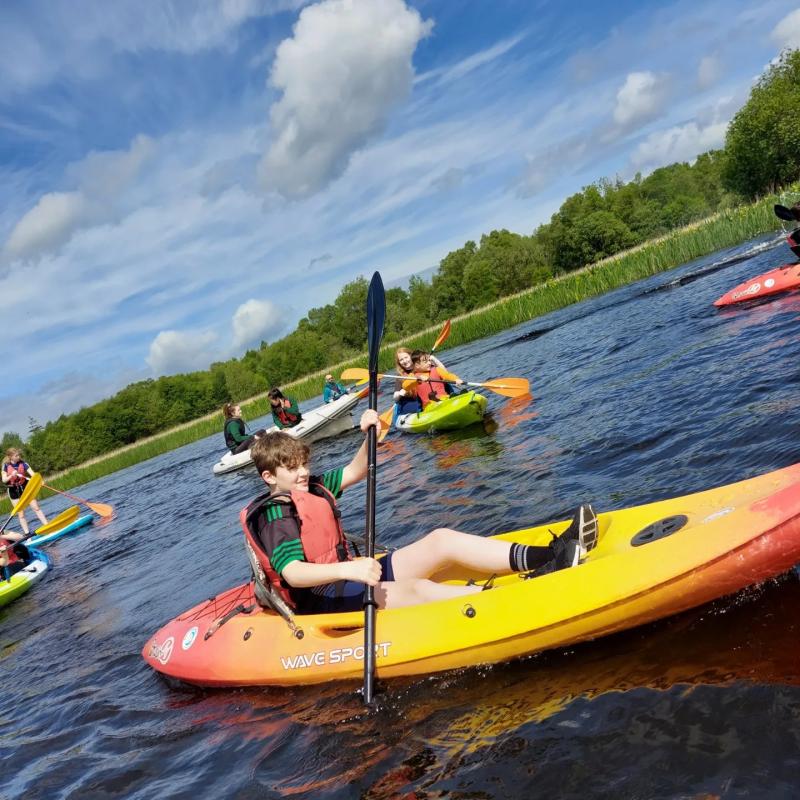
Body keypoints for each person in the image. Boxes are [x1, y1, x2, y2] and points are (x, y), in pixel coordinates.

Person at [240, 409, 599, 614]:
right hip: (321, 598)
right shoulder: (276, 516)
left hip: (350, 577)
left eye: (304, 464)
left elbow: (356, 471)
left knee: (441, 540)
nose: (303, 472)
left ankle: (550, 556)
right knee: (417, 589)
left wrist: (368, 434)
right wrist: (350, 568)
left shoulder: (313, 487)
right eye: (292, 468)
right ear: (269, 476)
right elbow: (293, 573)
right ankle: (517, 599)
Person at [1, 448, 47, 535]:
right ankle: (27, 534)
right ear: (11, 457)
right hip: (13, 491)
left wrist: (40, 481)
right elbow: (4, 480)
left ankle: (47, 525)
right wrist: (11, 475)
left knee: (36, 507)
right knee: (21, 514)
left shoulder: (23, 463)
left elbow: (33, 474)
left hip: (26, 488)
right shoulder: (6, 466)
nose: (19, 457)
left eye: (19, 455)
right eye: (16, 455)